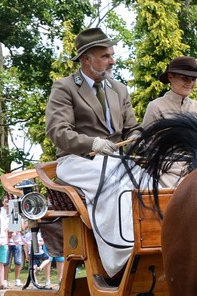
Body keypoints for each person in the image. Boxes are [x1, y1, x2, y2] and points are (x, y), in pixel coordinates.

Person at [45, 27, 148, 278]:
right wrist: (92, 143)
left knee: (152, 178)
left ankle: (152, 244)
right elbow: (57, 131)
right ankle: (118, 258)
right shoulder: (65, 88)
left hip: (115, 158)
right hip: (77, 160)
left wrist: (136, 138)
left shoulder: (119, 89)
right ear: (86, 59)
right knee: (114, 182)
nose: (112, 60)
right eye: (105, 56)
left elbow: (132, 128)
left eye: (112, 54)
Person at [143, 56, 197, 187]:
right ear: (170, 77)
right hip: (164, 172)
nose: (190, 83)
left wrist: (194, 168)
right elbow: (149, 147)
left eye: (193, 79)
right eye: (185, 78)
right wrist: (173, 167)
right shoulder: (156, 106)